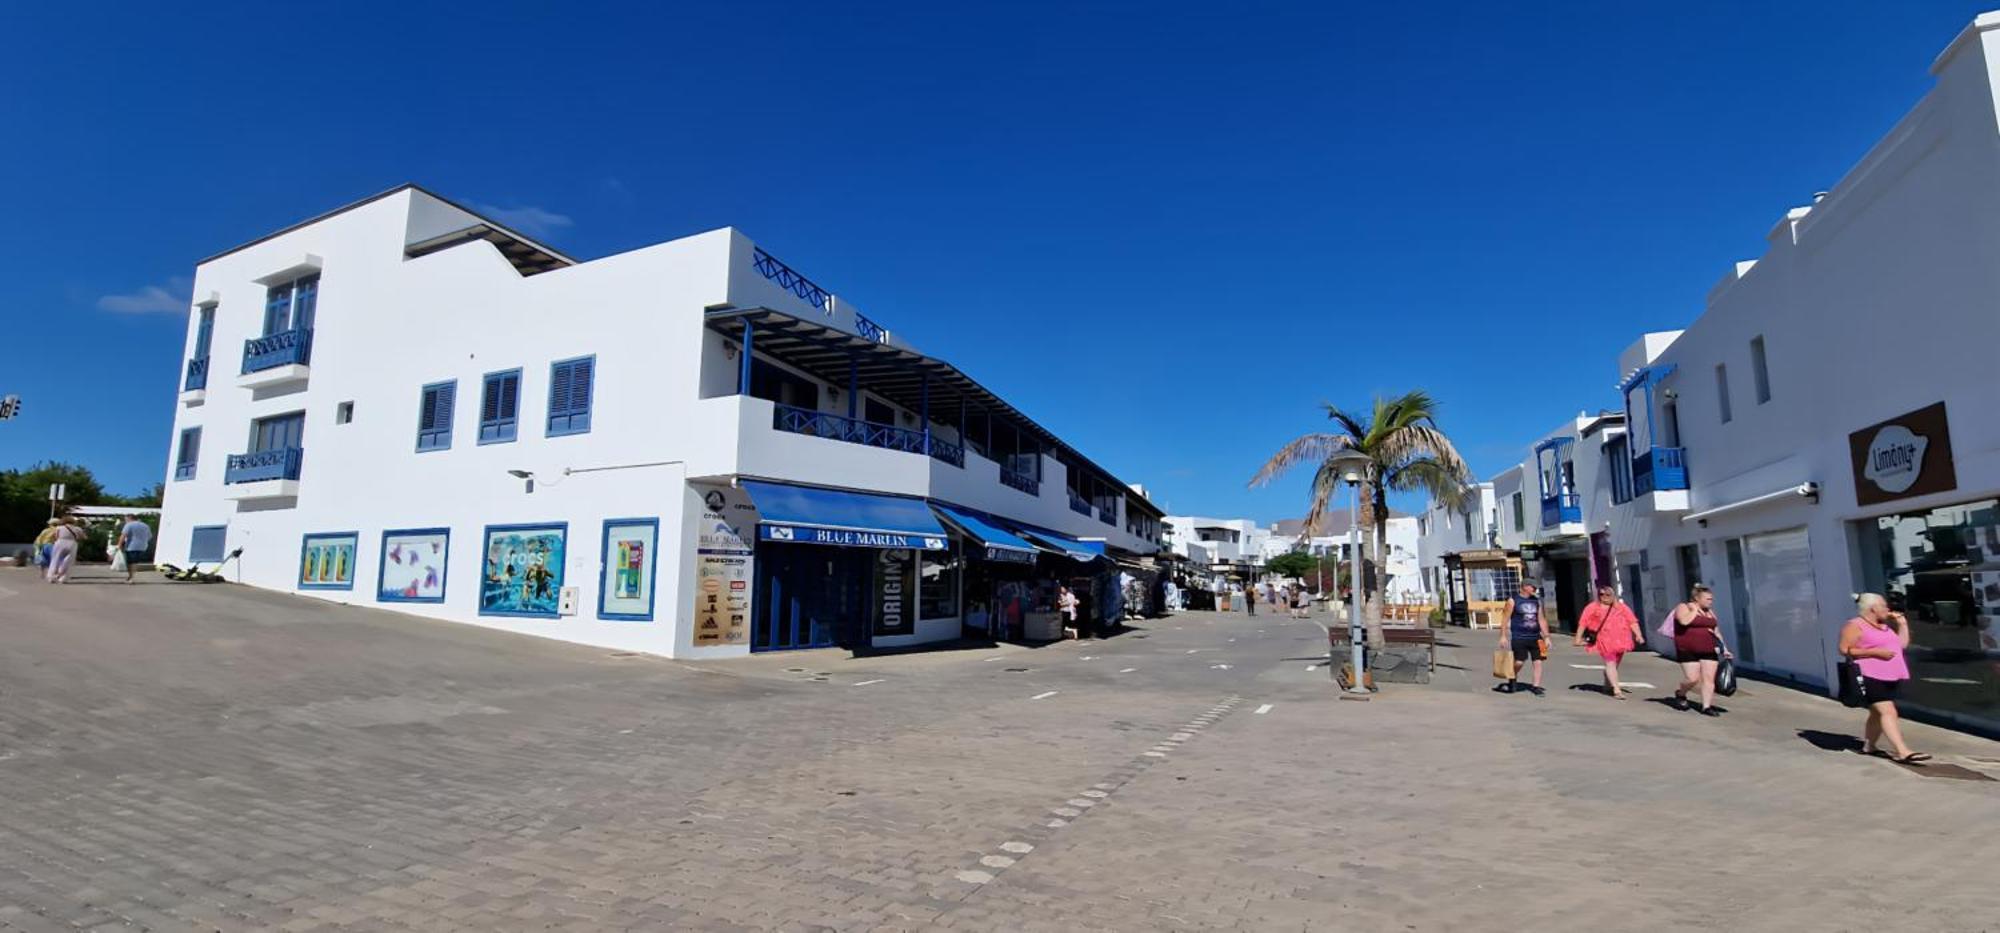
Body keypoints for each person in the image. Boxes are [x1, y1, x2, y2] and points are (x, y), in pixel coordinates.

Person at [1840, 593, 1929, 763]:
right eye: (1884, 606)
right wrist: (1874, 652)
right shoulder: (1855, 625)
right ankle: (1903, 751)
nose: (1888, 609)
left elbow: (1901, 645)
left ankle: (1869, 746)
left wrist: (1902, 624)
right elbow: (1844, 649)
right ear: (1873, 608)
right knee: (1888, 711)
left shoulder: (1884, 626)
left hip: (1891, 674)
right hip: (1869, 674)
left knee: (1876, 713)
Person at [1574, 584, 1643, 699]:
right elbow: (1583, 622)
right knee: (1610, 663)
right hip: (1604, 640)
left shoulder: (1621, 607)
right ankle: (1617, 690)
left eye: (1607, 594)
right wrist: (1577, 638)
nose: (1604, 597)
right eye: (1601, 594)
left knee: (1614, 665)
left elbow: (1632, 621)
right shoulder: (1592, 607)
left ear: (1613, 595)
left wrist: (1638, 635)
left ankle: (1607, 684)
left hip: (1622, 640)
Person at [1672, 584, 1730, 716]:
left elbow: (1716, 631)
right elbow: (1684, 622)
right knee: (1692, 679)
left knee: (1708, 679)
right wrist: (1693, 610)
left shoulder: (1710, 612)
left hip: (1709, 648)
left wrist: (1724, 648)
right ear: (1697, 598)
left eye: (1711, 599)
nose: (1711, 601)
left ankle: (1706, 706)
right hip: (1687, 649)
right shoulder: (1683, 607)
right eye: (1708, 599)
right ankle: (1681, 693)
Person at [1497, 581, 1550, 695]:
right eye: (1532, 586)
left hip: (1537, 637)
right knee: (1519, 662)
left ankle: (1536, 686)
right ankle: (1512, 676)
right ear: (1525, 587)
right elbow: (1505, 619)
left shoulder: (1536, 601)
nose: (1534, 589)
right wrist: (1503, 636)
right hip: (1519, 636)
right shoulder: (1513, 601)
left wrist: (1547, 636)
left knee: (1539, 661)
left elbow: (1541, 619)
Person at [44, 516, 85, 584]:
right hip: (72, 543)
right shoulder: (77, 529)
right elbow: (83, 537)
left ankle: (51, 576)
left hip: (60, 542)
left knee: (55, 559)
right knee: (68, 561)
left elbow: (56, 536)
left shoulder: (59, 528)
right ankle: (63, 578)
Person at [116, 515, 152, 584]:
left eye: (126, 519)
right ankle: (130, 577)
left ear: (130, 518)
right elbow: (149, 536)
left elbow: (123, 535)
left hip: (131, 546)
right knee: (134, 562)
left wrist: (119, 545)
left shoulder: (129, 525)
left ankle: (131, 578)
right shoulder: (145, 525)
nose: (125, 521)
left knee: (131, 562)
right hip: (142, 546)